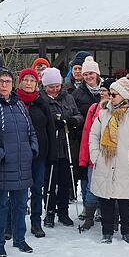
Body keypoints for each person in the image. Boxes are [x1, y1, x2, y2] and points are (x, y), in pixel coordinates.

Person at [0, 68, 39, 257]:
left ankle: (20, 239)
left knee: (20, 205)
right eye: (0, 81)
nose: (4, 84)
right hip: (0, 166)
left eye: (8, 81)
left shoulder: (19, 105)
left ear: (13, 84)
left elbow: (31, 132)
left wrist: (32, 149)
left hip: (22, 165)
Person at [89, 72, 129, 244]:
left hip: (125, 164)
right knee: (106, 199)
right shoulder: (104, 113)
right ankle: (107, 231)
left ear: (123, 95)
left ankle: (127, 231)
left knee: (125, 201)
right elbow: (93, 135)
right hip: (105, 163)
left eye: (114, 94)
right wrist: (96, 156)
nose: (110, 96)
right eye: (110, 93)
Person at [40, 67, 84, 227]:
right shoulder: (41, 98)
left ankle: (64, 212)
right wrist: (51, 123)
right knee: (50, 181)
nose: (55, 89)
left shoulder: (68, 98)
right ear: (45, 86)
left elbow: (79, 115)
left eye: (57, 86)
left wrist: (73, 121)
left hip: (66, 147)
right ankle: (50, 212)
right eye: (51, 86)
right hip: (50, 147)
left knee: (65, 181)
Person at [16, 68, 56, 238]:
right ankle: (14, 224)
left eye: (32, 80)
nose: (29, 83)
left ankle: (36, 222)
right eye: (26, 80)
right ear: (20, 82)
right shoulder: (13, 101)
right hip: (17, 156)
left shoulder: (42, 103)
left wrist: (51, 153)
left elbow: (50, 129)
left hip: (39, 155)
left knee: (37, 189)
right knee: (18, 192)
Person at [79, 78, 113, 231]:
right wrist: (84, 158)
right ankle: (89, 218)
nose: (103, 93)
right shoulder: (94, 108)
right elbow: (87, 134)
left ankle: (109, 217)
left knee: (111, 189)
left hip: (112, 158)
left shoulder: (118, 109)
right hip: (95, 157)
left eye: (106, 91)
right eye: (102, 90)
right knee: (92, 188)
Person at [72, 56, 102, 218]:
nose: (88, 77)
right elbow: (74, 112)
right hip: (82, 138)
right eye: (85, 74)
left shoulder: (106, 91)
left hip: (102, 140)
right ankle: (87, 206)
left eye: (91, 73)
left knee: (100, 173)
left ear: (97, 74)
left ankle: (100, 206)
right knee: (85, 172)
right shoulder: (78, 93)